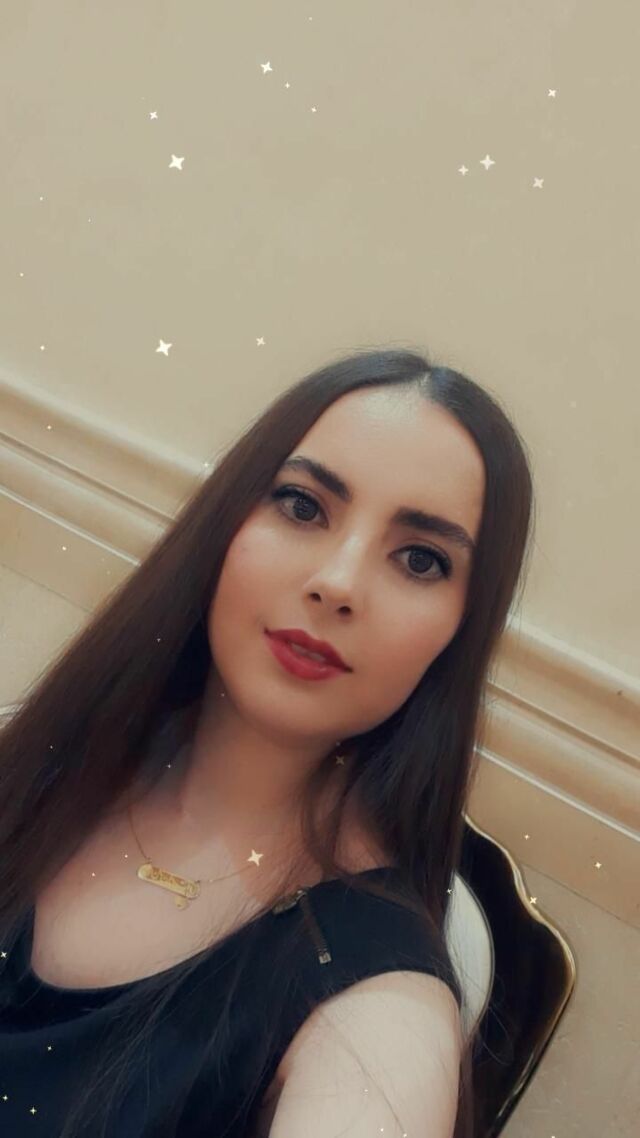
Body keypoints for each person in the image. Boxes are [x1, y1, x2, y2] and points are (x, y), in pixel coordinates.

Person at [0, 347, 535, 1138]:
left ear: (459, 633)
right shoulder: (48, 766)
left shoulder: (380, 1019)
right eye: (302, 506)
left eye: (420, 560)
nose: (339, 582)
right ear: (226, 523)